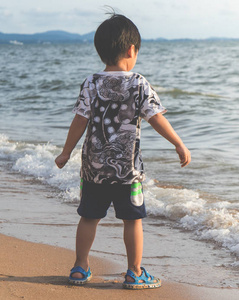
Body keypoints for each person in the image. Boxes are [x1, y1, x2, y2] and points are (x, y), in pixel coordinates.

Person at [54, 12, 191, 289]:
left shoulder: (91, 82)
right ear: (131, 50)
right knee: (133, 220)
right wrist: (178, 142)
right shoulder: (139, 83)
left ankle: (80, 268)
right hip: (128, 172)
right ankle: (134, 271)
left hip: (94, 170)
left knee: (89, 216)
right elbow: (156, 118)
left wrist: (65, 152)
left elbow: (79, 120)